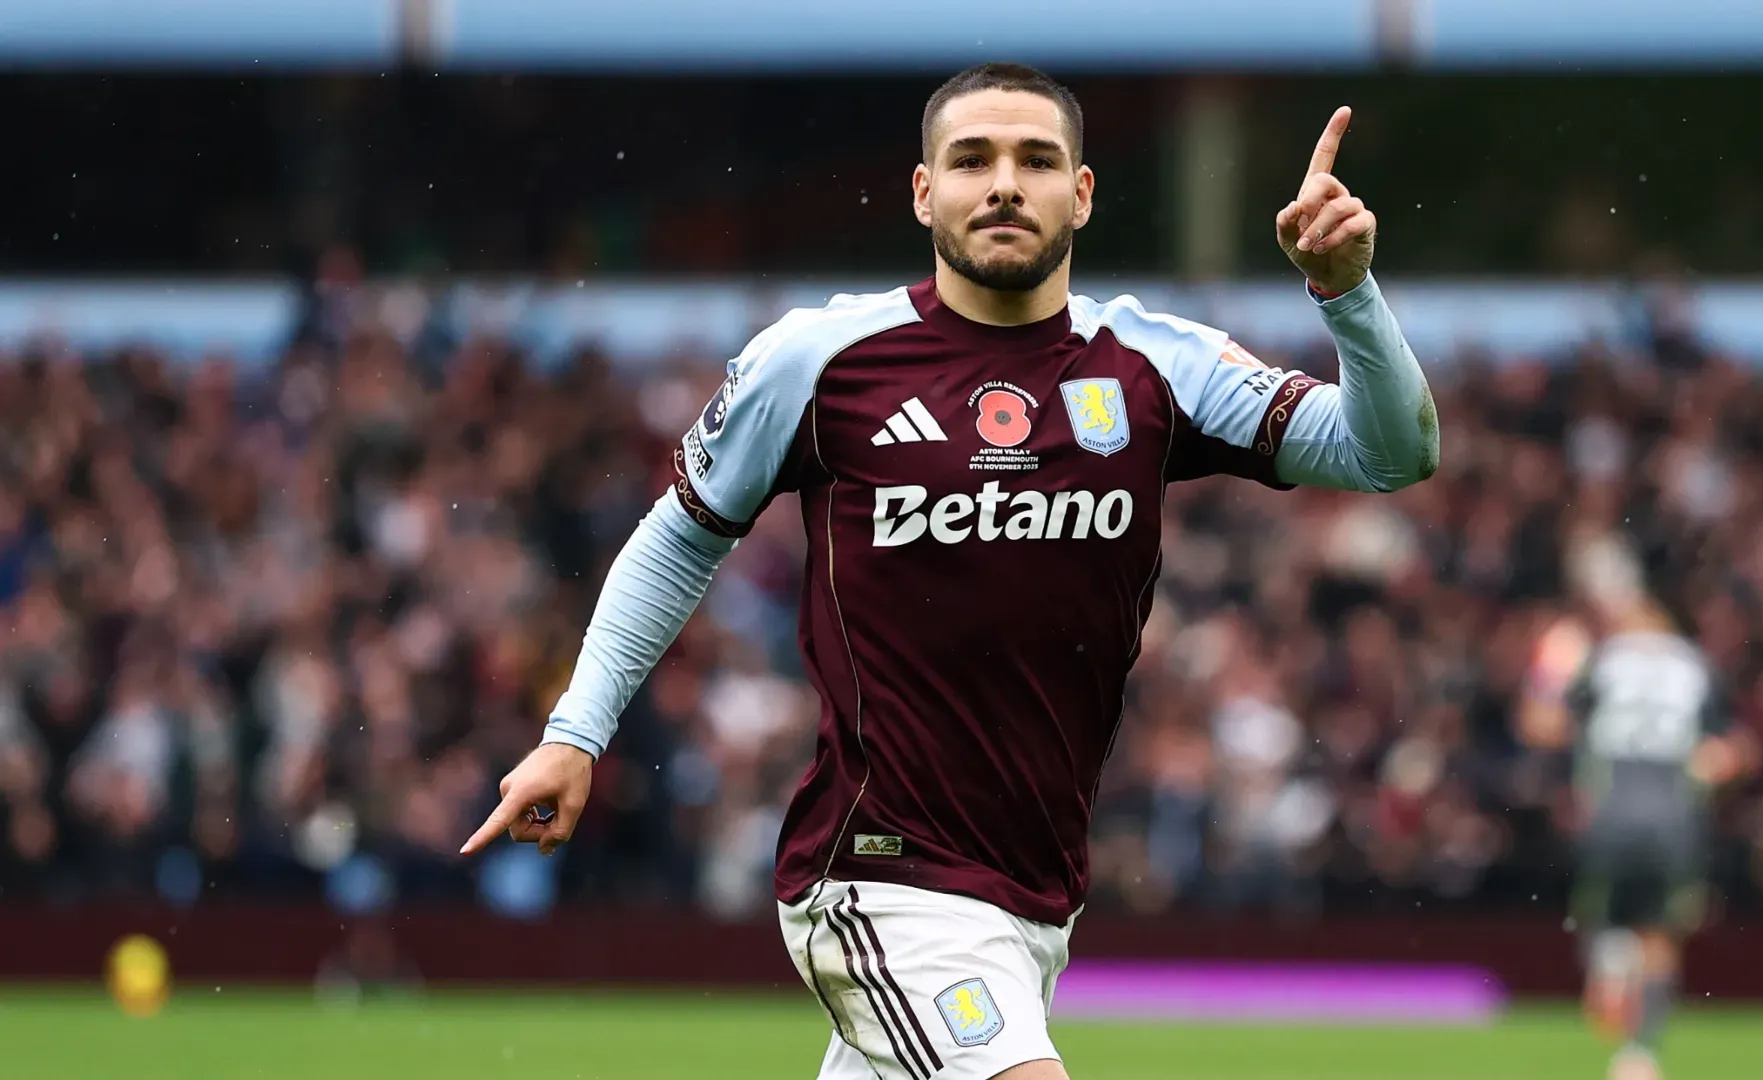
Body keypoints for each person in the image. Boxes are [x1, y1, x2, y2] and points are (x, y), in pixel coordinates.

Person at [461, 63, 1438, 1080]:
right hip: (880, 873)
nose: (1004, 184)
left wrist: (1348, 290)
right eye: (972, 160)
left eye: (1036, 160)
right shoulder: (822, 360)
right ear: (926, 192)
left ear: (1084, 193)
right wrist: (575, 732)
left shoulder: (1154, 364)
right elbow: (680, 537)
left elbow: (1389, 453)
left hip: (1033, 891)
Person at [1537, 534, 1753, 1080]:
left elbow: (1541, 725)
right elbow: (1731, 751)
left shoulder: (1598, 659)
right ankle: (1640, 1057)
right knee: (1660, 937)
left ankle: (1609, 960)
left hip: (1609, 811)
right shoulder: (1696, 667)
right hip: (1673, 814)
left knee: (1602, 913)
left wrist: (1548, 678)